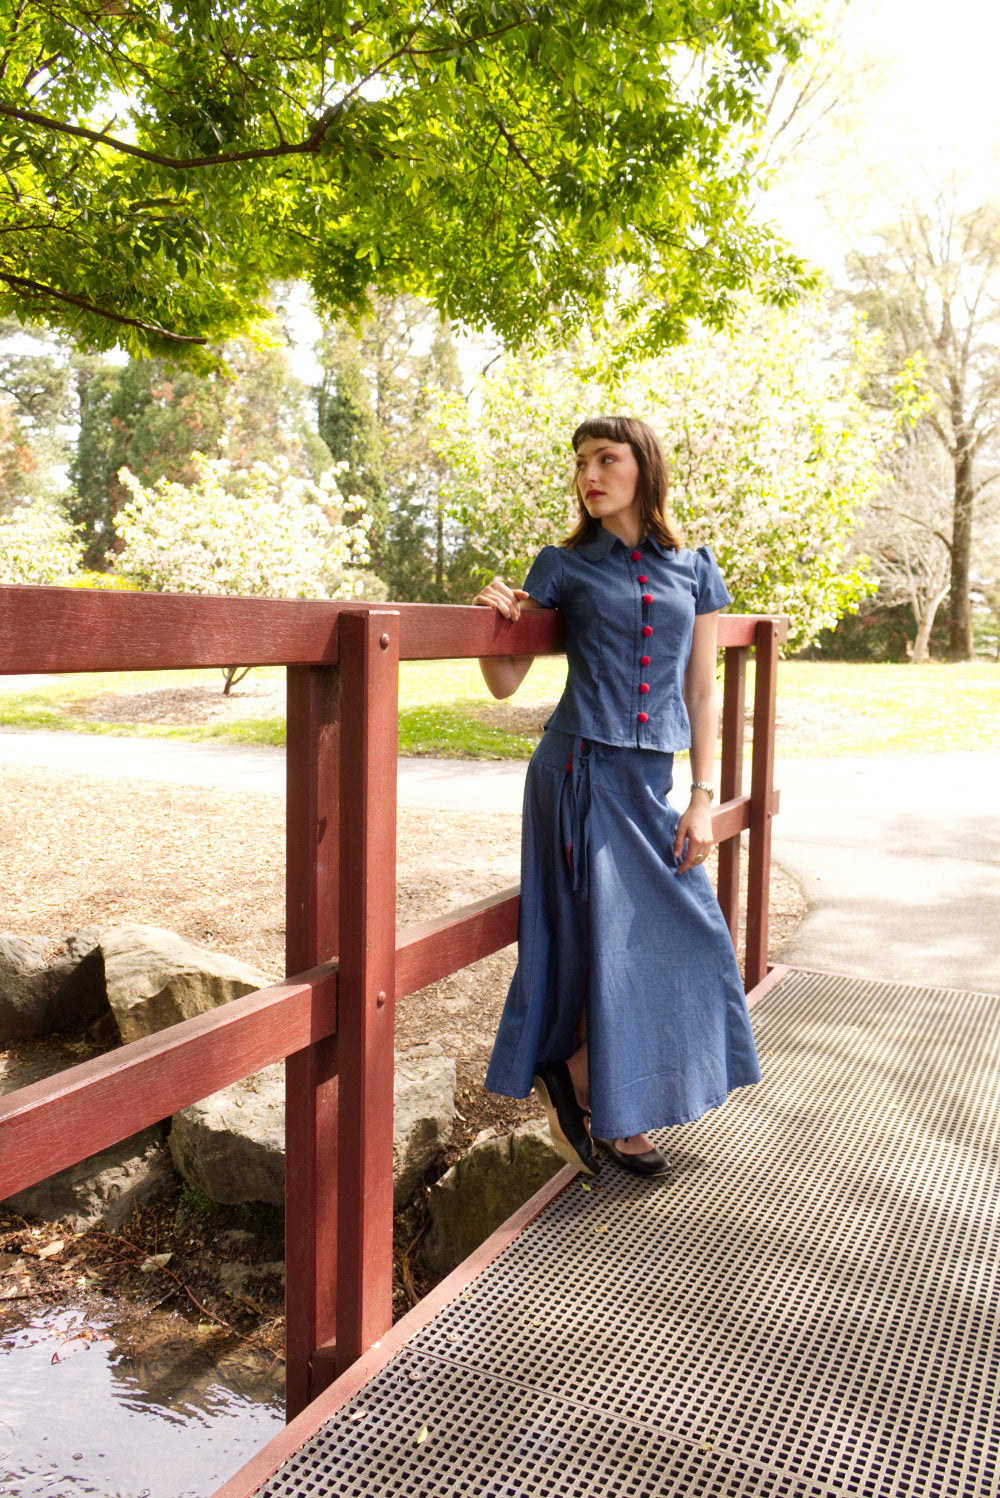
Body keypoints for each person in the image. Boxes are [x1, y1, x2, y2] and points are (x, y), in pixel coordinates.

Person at [474, 415, 761, 1179]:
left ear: (644, 468)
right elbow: (505, 684)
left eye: (606, 459)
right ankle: (608, 1102)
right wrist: (492, 626)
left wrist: (704, 796)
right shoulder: (562, 565)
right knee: (608, 943)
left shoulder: (694, 568)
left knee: (686, 938)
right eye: (580, 463)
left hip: (650, 783)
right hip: (576, 773)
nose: (589, 475)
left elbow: (702, 690)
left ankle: (587, 1080)